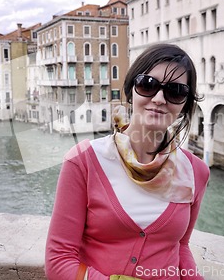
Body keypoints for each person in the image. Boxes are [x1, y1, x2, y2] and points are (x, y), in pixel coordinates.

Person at [45, 43, 210, 280]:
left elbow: (181, 247)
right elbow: (58, 259)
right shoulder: (82, 162)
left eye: (175, 91)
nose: (160, 98)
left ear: (185, 104)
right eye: (148, 85)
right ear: (131, 90)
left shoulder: (196, 172)